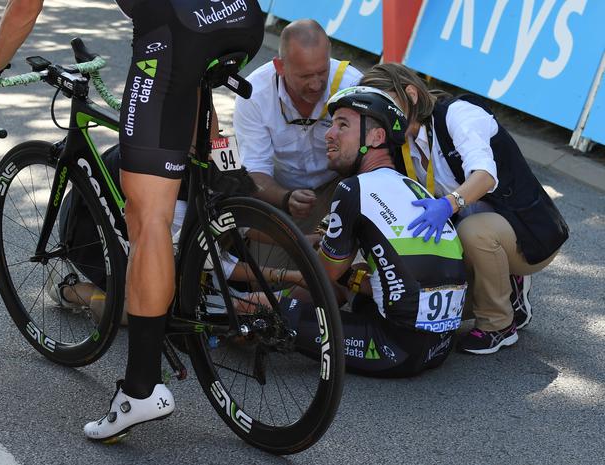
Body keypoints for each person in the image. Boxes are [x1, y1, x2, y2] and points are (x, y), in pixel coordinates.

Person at [0, 0, 264, 442]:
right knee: (187, 117)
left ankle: (140, 390)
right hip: (242, 17)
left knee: (148, 218)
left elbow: (26, 6)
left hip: (177, 31)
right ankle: (204, 239)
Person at [359, 63, 569, 355]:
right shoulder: (399, 139)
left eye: (388, 104)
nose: (383, 116)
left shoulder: (460, 114)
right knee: (432, 303)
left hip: (528, 232)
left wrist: (447, 205)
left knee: (475, 232)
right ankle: (507, 284)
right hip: (473, 231)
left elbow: (484, 176)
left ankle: (499, 324)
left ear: (411, 94)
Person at [286, 86, 468, 377]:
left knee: (277, 314)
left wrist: (271, 290)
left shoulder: (353, 189)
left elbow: (322, 276)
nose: (329, 134)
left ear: (376, 137)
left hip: (395, 349)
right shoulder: (414, 187)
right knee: (354, 279)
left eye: (342, 125)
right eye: (331, 125)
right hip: (441, 345)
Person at [233, 19, 362, 241]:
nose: (315, 84)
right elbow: (255, 171)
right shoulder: (254, 95)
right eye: (304, 76)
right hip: (279, 190)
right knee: (271, 272)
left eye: (322, 72)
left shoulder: (353, 85)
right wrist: (286, 198)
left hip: (339, 183)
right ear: (279, 67)